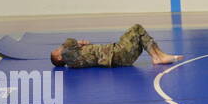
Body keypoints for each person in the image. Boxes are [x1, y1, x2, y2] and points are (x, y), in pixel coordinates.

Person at [50, 25, 181, 68]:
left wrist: (80, 44)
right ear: (60, 58)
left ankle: (158, 56)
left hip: (118, 57)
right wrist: (75, 43)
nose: (59, 48)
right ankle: (158, 56)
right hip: (116, 53)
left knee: (140, 36)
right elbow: (69, 41)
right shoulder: (67, 55)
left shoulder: (73, 60)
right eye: (56, 51)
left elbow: (75, 45)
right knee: (137, 28)